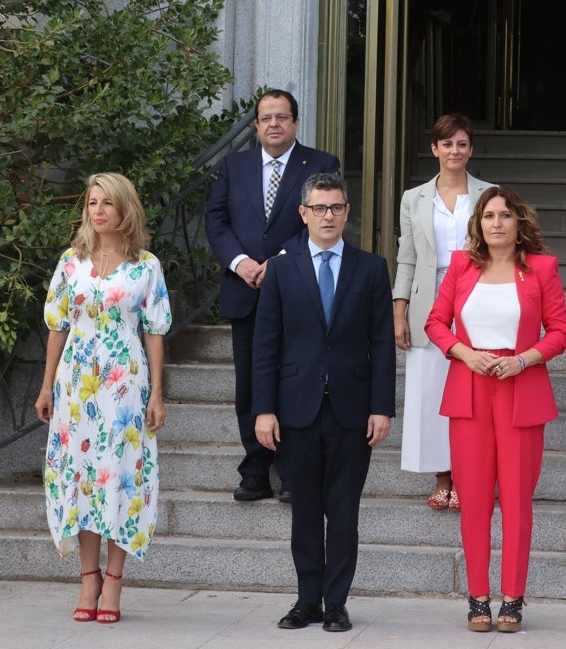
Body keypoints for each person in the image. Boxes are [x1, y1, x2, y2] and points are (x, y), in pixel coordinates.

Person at [251, 172, 395, 633]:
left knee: (344, 512)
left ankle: (336, 603)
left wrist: (382, 407)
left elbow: (382, 344)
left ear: (347, 212)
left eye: (335, 207)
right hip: (296, 409)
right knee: (306, 512)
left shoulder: (370, 268)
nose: (327, 216)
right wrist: (264, 409)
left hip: (353, 410)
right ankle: (306, 600)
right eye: (319, 208)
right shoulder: (281, 269)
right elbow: (265, 344)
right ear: (303, 213)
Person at [424, 186, 566, 633]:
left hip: (520, 390)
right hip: (469, 391)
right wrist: (465, 354)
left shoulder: (542, 268)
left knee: (516, 503)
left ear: (518, 222)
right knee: (473, 503)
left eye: (505, 215)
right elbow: (435, 323)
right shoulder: (461, 265)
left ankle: (512, 598)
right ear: (478, 224)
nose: (496, 223)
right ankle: (477, 598)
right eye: (488, 216)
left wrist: (523, 359)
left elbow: (560, 331)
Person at [35, 172, 172, 624]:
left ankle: (114, 582)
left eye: (107, 203)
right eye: (93, 202)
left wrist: (157, 393)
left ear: (124, 209)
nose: (98, 210)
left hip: (125, 387)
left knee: (120, 477)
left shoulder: (146, 266)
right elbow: (58, 325)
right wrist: (47, 385)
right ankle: (88, 579)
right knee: (82, 479)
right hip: (75, 386)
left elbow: (154, 331)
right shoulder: (71, 262)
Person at [205, 88, 340, 503]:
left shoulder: (321, 164)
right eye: (266, 118)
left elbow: (322, 220)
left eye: (282, 117)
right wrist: (240, 262)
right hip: (245, 288)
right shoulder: (235, 166)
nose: (274, 124)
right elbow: (216, 219)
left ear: (296, 122)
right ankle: (256, 469)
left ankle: (293, 470)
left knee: (295, 380)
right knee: (250, 384)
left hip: (298, 289)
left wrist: (279, 262)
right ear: (257, 126)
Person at [393, 113, 494, 509]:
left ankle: (470, 475)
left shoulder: (489, 193)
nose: (455, 151)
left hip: (477, 298)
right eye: (447, 143)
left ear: (471, 149)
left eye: (462, 143)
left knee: (474, 391)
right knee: (431, 390)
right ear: (434, 148)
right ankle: (441, 476)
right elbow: (407, 256)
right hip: (428, 300)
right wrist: (399, 310)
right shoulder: (414, 198)